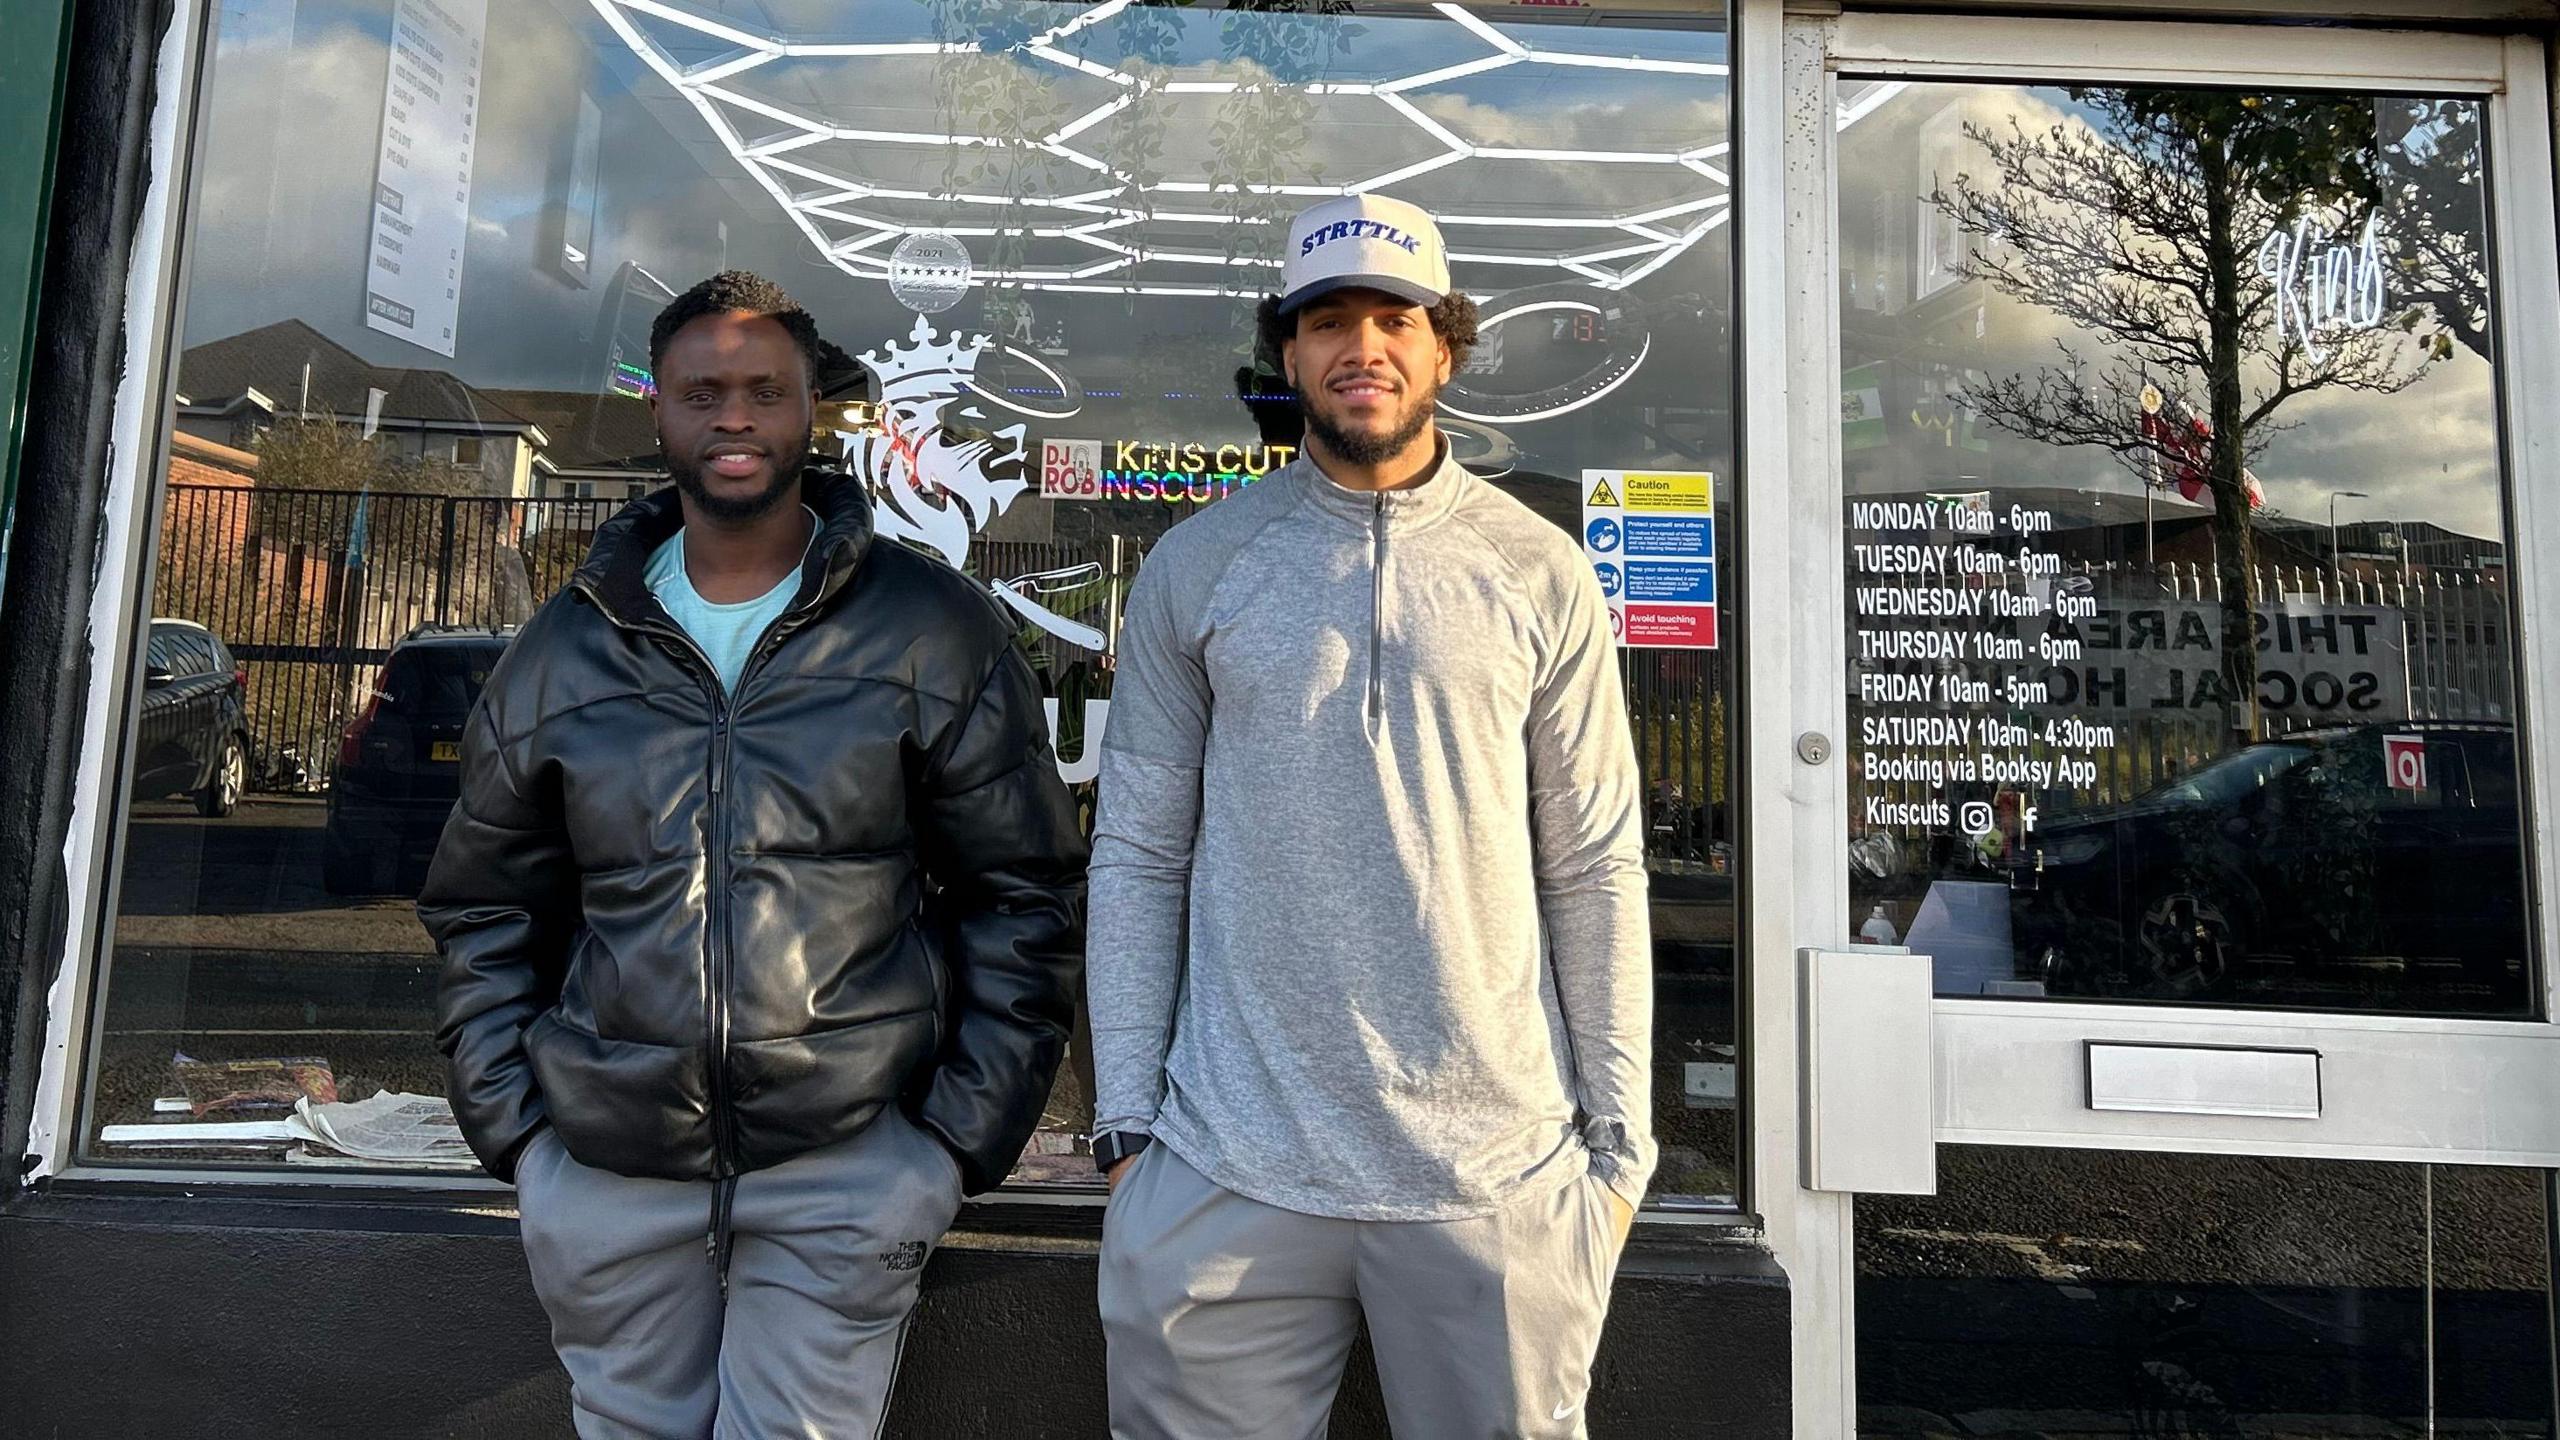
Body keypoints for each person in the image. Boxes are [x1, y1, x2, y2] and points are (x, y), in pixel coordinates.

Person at [420, 271, 1086, 1440]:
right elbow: (485, 910)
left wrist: (948, 1144)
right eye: (703, 391)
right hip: (607, 1170)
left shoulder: (930, 627)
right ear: (658, 413)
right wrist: (524, 1143)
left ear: (810, 411)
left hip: (848, 1159)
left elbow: (1020, 896)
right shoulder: (565, 648)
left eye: (763, 390)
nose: (734, 417)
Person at [1088, 194, 1656, 1439]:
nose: (1363, 348)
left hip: (1495, 1178)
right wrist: (1128, 1129)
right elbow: (1135, 852)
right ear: (1285, 354)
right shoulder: (1201, 565)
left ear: (1444, 347)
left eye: (1394, 319)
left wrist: (1616, 1154)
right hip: (1226, 1168)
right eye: (1327, 320)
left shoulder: (1537, 569)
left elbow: (1595, 865)